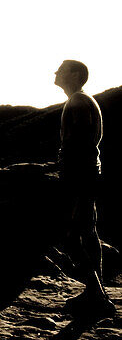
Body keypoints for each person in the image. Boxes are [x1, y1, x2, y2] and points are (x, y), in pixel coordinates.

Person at [54, 59, 115, 321]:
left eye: (62, 69)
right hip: (89, 171)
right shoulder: (83, 100)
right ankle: (95, 292)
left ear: (76, 75)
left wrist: (64, 168)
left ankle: (97, 296)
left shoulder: (78, 102)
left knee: (72, 235)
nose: (56, 73)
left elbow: (76, 143)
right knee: (88, 232)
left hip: (78, 174)